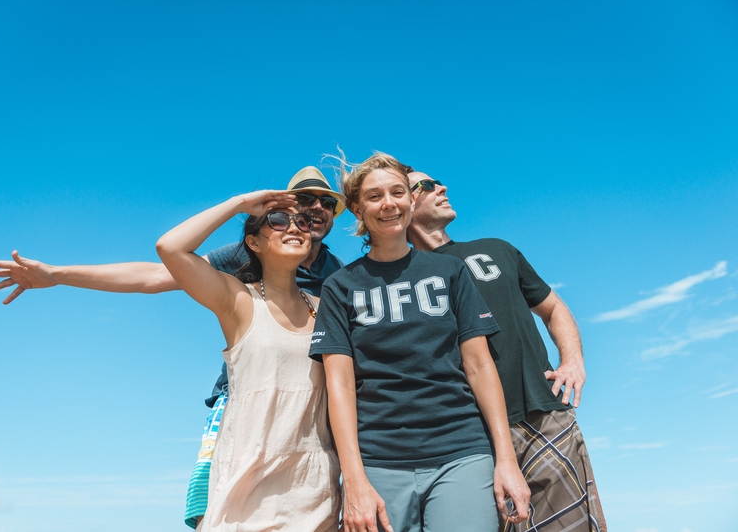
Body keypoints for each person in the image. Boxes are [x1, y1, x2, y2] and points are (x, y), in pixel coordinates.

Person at [0, 167, 346, 529]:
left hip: (308, 420)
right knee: (216, 507)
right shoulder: (244, 257)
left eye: (325, 202)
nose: (314, 209)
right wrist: (56, 275)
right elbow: (155, 274)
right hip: (244, 400)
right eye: (300, 202)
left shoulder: (339, 277)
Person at [308, 152, 531, 532]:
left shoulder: (451, 271)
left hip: (462, 453)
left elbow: (479, 365)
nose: (389, 203)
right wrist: (355, 480)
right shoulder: (339, 287)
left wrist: (505, 460)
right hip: (377, 461)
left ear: (411, 200)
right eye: (375, 196)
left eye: (398, 192)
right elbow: (339, 385)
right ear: (358, 210)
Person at [405, 171, 607, 532]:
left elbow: (554, 308)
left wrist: (573, 361)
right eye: (426, 185)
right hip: (469, 436)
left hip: (543, 415)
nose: (442, 187)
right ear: (400, 202)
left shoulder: (496, 249)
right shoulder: (401, 281)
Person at [155, 187, 340, 531]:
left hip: (312, 483)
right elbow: (170, 248)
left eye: (300, 222)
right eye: (279, 220)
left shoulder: (328, 304)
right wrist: (238, 204)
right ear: (253, 243)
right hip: (246, 473)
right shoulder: (237, 300)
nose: (295, 227)